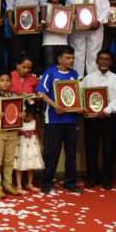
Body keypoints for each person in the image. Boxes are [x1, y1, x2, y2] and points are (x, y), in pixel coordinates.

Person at [36, 45, 85, 194]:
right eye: (68, 58)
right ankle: (47, 182)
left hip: (71, 119)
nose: (71, 61)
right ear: (59, 59)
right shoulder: (50, 73)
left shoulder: (74, 74)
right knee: (52, 152)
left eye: (72, 58)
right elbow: (40, 93)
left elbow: (77, 95)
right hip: (54, 118)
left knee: (71, 153)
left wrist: (80, 107)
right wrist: (55, 105)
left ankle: (70, 182)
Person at [81, 50, 116, 190]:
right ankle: (92, 178)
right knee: (91, 148)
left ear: (111, 62)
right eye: (101, 59)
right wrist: (85, 110)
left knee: (109, 148)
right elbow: (82, 96)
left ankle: (107, 178)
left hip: (109, 117)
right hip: (92, 118)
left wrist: (106, 111)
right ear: (96, 61)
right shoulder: (88, 78)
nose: (104, 61)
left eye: (107, 59)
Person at [6, 0, 47, 75]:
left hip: (36, 23)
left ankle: (34, 79)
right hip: (17, 23)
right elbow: (9, 4)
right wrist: (10, 22)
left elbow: (43, 3)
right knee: (17, 53)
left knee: (35, 53)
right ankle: (16, 81)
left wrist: (43, 22)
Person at [0, 69, 24, 198]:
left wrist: (21, 115)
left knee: (9, 161)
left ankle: (7, 185)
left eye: (8, 81)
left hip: (12, 131)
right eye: (2, 81)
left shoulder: (15, 97)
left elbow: (18, 113)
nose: (5, 83)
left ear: (11, 82)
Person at [67, 0, 109, 76]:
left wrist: (99, 21)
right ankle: (78, 82)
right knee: (77, 56)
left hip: (95, 30)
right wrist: (73, 17)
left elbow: (106, 10)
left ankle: (92, 83)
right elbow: (68, 13)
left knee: (94, 56)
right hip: (78, 30)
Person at [13, 98, 43, 193]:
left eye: (31, 117)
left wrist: (40, 144)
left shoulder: (33, 122)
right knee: (19, 166)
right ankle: (19, 185)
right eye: (27, 116)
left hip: (32, 146)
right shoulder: (19, 122)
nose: (29, 119)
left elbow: (36, 133)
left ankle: (29, 183)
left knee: (31, 166)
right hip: (21, 146)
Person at [42, 0, 68, 70]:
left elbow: (68, 24)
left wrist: (72, 19)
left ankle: (60, 83)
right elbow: (41, 22)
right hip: (49, 41)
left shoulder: (66, 9)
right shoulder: (44, 8)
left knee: (62, 66)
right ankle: (49, 83)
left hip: (62, 41)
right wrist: (45, 23)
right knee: (49, 65)